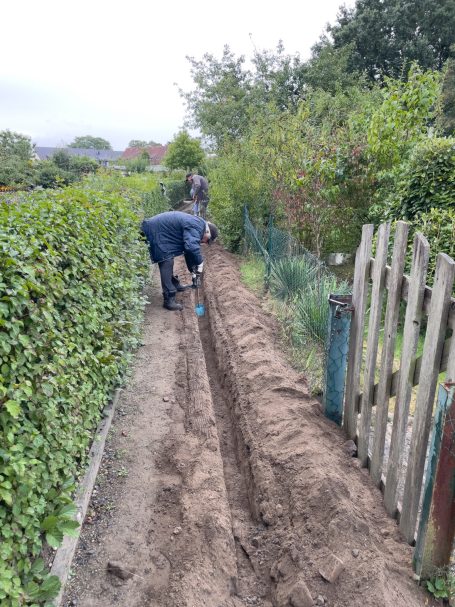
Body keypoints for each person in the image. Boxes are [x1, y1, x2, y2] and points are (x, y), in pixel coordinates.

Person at [141, 211, 219, 311]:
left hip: (160, 232)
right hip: (156, 231)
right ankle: (169, 299)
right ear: (207, 232)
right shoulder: (197, 226)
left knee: (168, 256)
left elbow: (188, 252)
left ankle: (174, 284)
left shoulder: (198, 224)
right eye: (207, 241)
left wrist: (194, 271)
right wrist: (200, 262)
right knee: (166, 259)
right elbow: (191, 247)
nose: (204, 243)